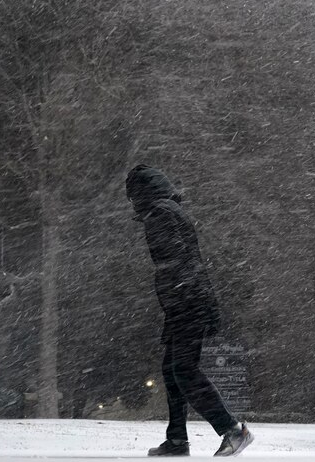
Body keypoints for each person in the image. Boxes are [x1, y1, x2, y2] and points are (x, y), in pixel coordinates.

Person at [125, 164, 253, 457]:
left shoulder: (160, 214)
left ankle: (232, 430)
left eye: (132, 196)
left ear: (142, 193)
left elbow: (175, 259)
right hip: (187, 301)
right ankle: (176, 440)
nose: (132, 203)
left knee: (183, 370)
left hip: (186, 302)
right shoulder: (169, 210)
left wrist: (180, 294)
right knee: (172, 370)